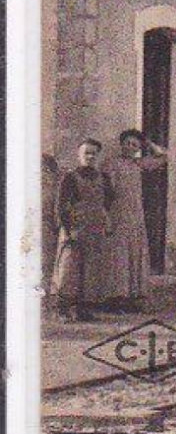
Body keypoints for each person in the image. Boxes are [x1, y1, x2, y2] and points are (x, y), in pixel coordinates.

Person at [51, 138, 114, 322]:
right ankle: (62, 310)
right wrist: (67, 229)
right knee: (69, 270)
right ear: (79, 155)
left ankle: (82, 309)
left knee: (90, 271)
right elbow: (61, 205)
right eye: (86, 153)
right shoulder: (70, 177)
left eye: (94, 153)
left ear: (98, 156)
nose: (90, 156)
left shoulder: (104, 178)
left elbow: (109, 200)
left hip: (94, 229)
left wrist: (103, 219)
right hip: (74, 229)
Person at [105, 128, 167, 310]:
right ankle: (118, 298)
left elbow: (164, 156)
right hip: (118, 213)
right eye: (128, 143)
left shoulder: (139, 164)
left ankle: (133, 296)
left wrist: (148, 143)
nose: (130, 147)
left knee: (134, 253)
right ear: (121, 144)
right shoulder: (111, 164)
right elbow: (107, 191)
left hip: (136, 214)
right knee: (119, 255)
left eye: (135, 145)